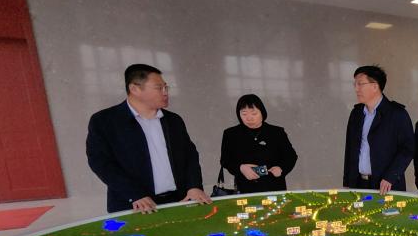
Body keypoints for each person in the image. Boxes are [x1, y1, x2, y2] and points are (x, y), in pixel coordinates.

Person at [87, 64, 211, 214]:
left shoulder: (173, 120)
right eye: (159, 88)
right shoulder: (105, 121)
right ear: (135, 89)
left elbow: (190, 156)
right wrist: (134, 194)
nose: (165, 92)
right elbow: (101, 162)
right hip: (135, 205)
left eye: (166, 87)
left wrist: (194, 186)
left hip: (180, 201)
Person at [343, 65, 414, 194]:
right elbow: (350, 149)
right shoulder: (356, 113)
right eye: (355, 84)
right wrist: (347, 182)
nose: (356, 89)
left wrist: (390, 177)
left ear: (375, 86)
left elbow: (408, 149)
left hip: (386, 186)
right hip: (358, 183)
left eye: (360, 84)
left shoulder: (397, 114)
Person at [220, 94, 298, 193]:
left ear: (262, 112)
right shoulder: (231, 134)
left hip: (274, 187)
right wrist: (241, 168)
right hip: (245, 188)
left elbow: (291, 156)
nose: (249, 118)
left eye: (254, 114)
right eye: (244, 114)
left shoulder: (276, 132)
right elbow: (225, 160)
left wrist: (281, 169)